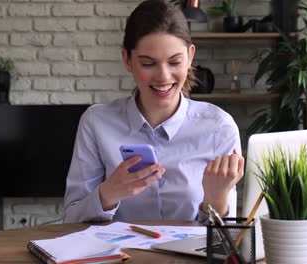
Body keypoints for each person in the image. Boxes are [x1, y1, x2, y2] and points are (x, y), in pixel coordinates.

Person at [63, 0, 244, 223]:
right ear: (127, 60)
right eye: (148, 63)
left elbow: (225, 246)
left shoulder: (219, 127)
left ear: (190, 57)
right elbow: (70, 219)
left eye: (175, 62)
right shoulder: (96, 123)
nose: (163, 76)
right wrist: (108, 193)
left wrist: (217, 200)